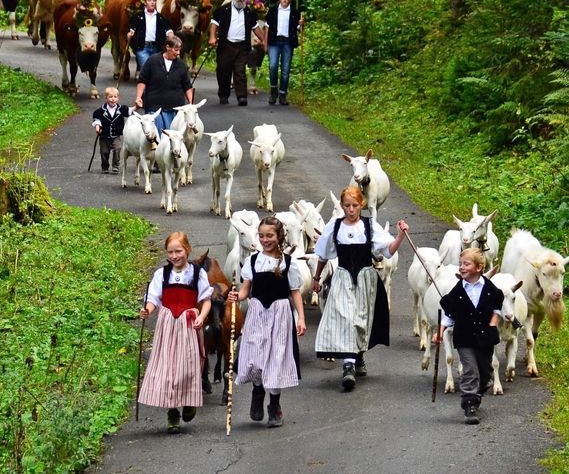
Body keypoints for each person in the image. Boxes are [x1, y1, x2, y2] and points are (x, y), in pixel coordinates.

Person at [311, 186, 408, 391]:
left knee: (361, 321)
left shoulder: (369, 226)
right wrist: (316, 278)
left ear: (361, 205)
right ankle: (348, 366)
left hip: (365, 278)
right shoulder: (335, 227)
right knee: (346, 318)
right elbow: (323, 255)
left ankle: (358, 355)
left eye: (355, 205)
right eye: (347, 205)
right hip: (343, 278)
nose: (351, 209)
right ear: (342, 206)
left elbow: (388, 251)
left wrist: (400, 236)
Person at [228, 217, 306, 428]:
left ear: (279, 236)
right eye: (261, 236)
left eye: (269, 235)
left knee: (276, 358)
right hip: (257, 314)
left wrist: (301, 317)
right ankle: (257, 390)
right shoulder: (253, 261)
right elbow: (245, 290)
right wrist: (237, 297)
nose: (264, 240)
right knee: (254, 355)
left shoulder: (288, 262)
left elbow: (295, 292)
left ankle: (274, 405)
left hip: (280, 315)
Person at [138, 232, 213, 434]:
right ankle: (172, 412)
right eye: (170, 252)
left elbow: (206, 300)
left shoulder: (197, 274)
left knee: (187, 366)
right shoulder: (161, 274)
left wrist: (201, 317)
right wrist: (147, 310)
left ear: (187, 250)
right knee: (168, 368)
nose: (174, 256)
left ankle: (188, 402)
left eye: (178, 251)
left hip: (189, 323)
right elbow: (153, 299)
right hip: (168, 325)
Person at [434, 247, 502, 425]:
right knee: (470, 369)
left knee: (485, 372)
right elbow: (449, 315)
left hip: (485, 337)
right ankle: (469, 404)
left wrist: (494, 321)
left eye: (466, 264)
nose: (461, 267)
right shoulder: (456, 292)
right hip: (464, 336)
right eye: (460, 264)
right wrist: (440, 331)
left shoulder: (490, 289)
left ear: (479, 268)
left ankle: (479, 390)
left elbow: (497, 308)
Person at [208, 0, 266, 106]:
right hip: (226, 44)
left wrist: (264, 40)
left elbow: (255, 28)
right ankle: (224, 95)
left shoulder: (249, 12)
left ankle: (241, 96)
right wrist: (212, 37)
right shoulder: (223, 10)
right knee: (224, 70)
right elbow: (214, 23)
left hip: (242, 46)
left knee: (240, 71)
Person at [135, 36, 193, 134]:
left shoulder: (181, 65)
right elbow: (142, 80)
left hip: (175, 108)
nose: (178, 53)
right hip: (154, 107)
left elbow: (187, 85)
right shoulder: (153, 60)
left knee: (173, 137)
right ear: (168, 47)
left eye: (179, 50)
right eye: (176, 50)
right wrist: (138, 97)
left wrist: (191, 103)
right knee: (158, 135)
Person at [264, 0, 303, 106]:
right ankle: (273, 91)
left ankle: (283, 94)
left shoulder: (295, 12)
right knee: (273, 66)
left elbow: (298, 29)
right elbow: (267, 27)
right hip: (274, 41)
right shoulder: (273, 10)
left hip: (287, 42)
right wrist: (265, 43)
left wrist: (301, 24)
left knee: (285, 70)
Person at [128, 0, 175, 72]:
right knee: (145, 68)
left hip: (156, 48)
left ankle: (148, 80)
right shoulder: (138, 16)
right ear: (145, 2)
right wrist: (129, 34)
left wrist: (171, 35)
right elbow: (132, 29)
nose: (152, 2)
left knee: (155, 70)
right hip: (142, 48)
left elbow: (168, 30)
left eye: (154, 0)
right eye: (149, 0)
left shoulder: (160, 17)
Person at [91, 87, 133, 175]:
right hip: (104, 136)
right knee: (104, 152)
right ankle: (105, 166)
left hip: (116, 135)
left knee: (117, 148)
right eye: (110, 97)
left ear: (118, 98)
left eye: (115, 97)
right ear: (106, 98)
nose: (113, 99)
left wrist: (137, 106)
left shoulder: (121, 109)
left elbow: (130, 111)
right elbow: (97, 120)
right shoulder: (100, 111)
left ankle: (115, 166)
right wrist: (97, 127)